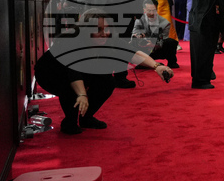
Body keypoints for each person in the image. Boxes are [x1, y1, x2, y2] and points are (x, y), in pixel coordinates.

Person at [36, 10, 175, 134]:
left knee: (107, 81)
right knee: (70, 88)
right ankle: (69, 122)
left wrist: (157, 66)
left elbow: (132, 52)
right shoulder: (71, 39)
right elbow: (73, 71)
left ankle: (86, 117)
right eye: (99, 30)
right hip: (51, 73)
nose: (104, 33)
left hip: (79, 70)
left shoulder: (109, 38)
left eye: (106, 28)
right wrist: (82, 94)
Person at [132, 0, 180, 68]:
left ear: (157, 9)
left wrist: (153, 45)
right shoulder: (139, 21)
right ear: (144, 10)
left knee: (171, 42)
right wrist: (139, 37)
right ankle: (145, 63)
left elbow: (164, 41)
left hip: (157, 49)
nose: (151, 13)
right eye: (149, 11)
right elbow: (133, 35)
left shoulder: (165, 23)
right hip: (143, 49)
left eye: (154, 10)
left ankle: (172, 62)